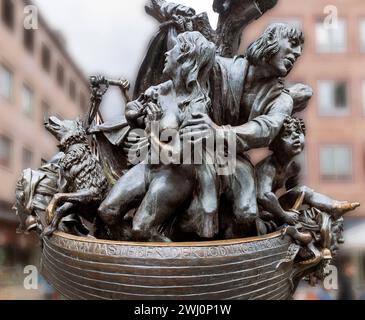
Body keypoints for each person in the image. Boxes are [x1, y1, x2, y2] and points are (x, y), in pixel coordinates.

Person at [98, 31, 217, 242]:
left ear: (184, 58)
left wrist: (152, 129)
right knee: (107, 211)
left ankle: (176, 266)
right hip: (149, 166)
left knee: (141, 229)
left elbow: (177, 155)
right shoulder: (161, 90)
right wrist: (140, 112)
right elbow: (132, 110)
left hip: (177, 175)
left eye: (174, 48)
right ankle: (126, 259)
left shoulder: (197, 106)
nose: (167, 53)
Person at [255, 116, 360, 228]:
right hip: (259, 211)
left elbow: (293, 192)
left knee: (303, 191)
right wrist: (285, 215)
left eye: (298, 132)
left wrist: (298, 208)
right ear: (274, 143)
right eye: (287, 135)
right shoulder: (267, 167)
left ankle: (333, 206)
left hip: (275, 208)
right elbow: (264, 196)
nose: (295, 136)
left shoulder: (294, 165)